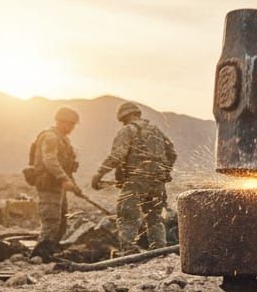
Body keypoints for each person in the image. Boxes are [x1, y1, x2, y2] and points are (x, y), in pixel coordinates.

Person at [90, 101, 177, 253]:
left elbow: (117, 155)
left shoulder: (128, 130)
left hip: (136, 181)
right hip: (157, 182)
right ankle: (159, 251)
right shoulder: (156, 131)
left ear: (124, 117)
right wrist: (165, 172)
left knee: (127, 215)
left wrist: (99, 174)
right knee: (155, 218)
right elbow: (172, 154)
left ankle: (128, 250)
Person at [29, 107, 82, 260]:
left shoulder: (63, 139)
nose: (72, 128)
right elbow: (50, 160)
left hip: (58, 184)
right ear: (62, 122)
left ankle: (51, 251)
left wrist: (73, 185)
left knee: (62, 219)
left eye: (73, 125)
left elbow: (67, 166)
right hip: (49, 184)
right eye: (70, 124)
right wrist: (63, 179)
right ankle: (39, 254)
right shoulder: (51, 137)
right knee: (51, 219)